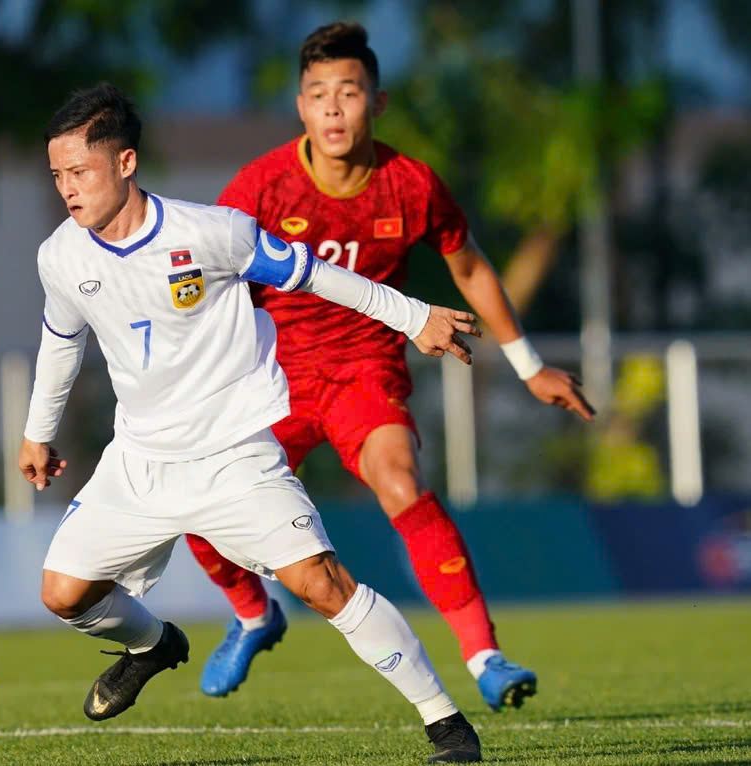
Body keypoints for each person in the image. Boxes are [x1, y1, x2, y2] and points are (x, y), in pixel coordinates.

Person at [20, 82, 484, 762]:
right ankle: (154, 645)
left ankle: (445, 722)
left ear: (125, 163)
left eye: (80, 172)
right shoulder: (61, 256)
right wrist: (38, 431)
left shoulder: (212, 234)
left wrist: (415, 317)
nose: (68, 188)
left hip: (233, 454)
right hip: (140, 462)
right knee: (63, 595)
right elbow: (62, 341)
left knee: (321, 584)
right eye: (58, 174)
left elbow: (319, 275)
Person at [184, 22, 596, 711]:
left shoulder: (409, 184)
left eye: (350, 93)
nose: (334, 109)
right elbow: (210, 278)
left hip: (363, 373)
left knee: (401, 482)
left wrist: (528, 366)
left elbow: (467, 266)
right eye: (319, 95)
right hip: (270, 381)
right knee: (195, 498)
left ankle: (484, 655)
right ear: (301, 106)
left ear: (378, 103)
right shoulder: (260, 187)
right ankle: (254, 615)